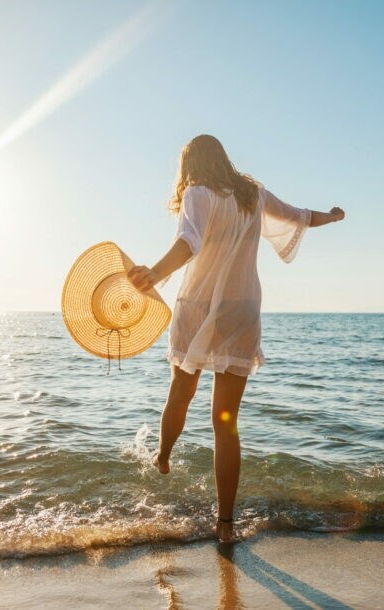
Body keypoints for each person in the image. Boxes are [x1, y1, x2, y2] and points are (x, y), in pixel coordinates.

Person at [128, 134, 345, 542]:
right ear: (224, 160)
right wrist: (331, 217)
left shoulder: (197, 192)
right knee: (226, 424)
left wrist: (155, 274)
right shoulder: (254, 195)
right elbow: (299, 215)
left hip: (199, 306)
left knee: (180, 393)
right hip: (242, 311)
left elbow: (188, 242)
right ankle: (226, 525)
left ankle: (163, 457)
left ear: (190, 165)